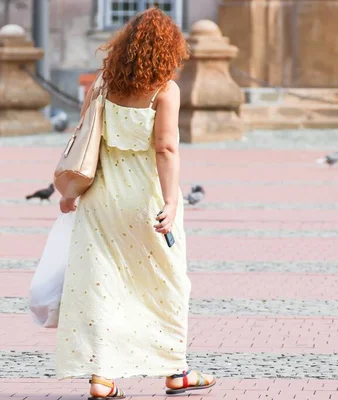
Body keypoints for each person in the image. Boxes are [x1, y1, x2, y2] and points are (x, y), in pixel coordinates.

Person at [55, 7, 215, 399]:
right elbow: (165, 147)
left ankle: (102, 378)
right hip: (145, 198)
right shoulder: (166, 90)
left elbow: (85, 138)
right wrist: (172, 201)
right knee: (167, 282)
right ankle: (176, 371)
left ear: (124, 46)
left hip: (102, 197)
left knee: (102, 284)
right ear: (170, 49)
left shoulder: (104, 83)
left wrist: (70, 192)